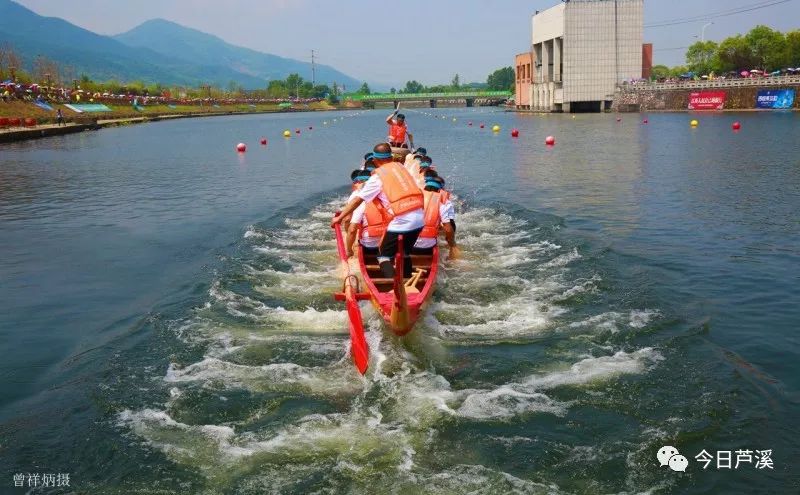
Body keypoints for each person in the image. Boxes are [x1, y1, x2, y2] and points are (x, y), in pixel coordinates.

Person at [332, 142, 424, 287]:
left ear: (375, 160)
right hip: (420, 218)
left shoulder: (377, 177)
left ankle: (397, 289)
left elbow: (357, 200)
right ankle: (407, 284)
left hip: (403, 221)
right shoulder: (400, 167)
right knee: (405, 252)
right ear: (391, 157)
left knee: (383, 257)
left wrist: (340, 217)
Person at [413, 171, 460, 260]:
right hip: (426, 247)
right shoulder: (442, 203)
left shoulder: (414, 197)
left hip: (408, 244)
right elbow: (449, 228)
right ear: (440, 190)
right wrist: (452, 244)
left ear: (425, 187)